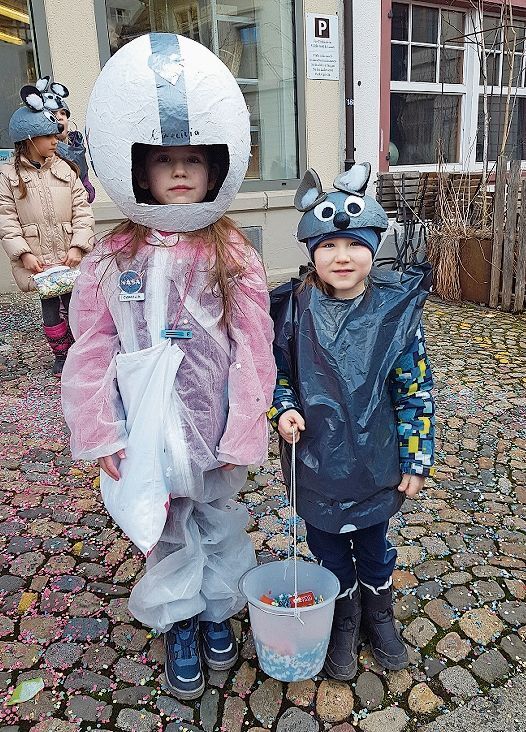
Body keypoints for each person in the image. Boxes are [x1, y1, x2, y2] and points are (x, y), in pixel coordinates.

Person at [61, 33, 276, 701]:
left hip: (210, 428)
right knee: (166, 527)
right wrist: (99, 432)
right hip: (148, 432)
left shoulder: (232, 252)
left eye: (192, 159)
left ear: (214, 168)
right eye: (164, 161)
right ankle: (180, 618)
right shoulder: (110, 257)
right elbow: (91, 345)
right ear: (139, 171)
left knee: (216, 520)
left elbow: (254, 343)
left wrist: (245, 426)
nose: (179, 171)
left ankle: (216, 609)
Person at [268, 164, 435, 680]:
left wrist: (417, 456)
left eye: (354, 244)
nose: (342, 257)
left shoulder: (395, 313)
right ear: (311, 253)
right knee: (327, 545)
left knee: (372, 543)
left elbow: (414, 391)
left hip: (375, 460)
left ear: (373, 245)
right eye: (328, 246)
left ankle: (378, 613)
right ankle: (345, 614)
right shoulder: (293, 309)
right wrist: (284, 407)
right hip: (316, 458)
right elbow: (276, 372)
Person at [0, 86, 95, 376]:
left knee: (76, 305)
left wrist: (79, 245)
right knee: (51, 307)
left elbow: (82, 209)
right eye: (49, 136)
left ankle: (82, 350)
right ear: (29, 139)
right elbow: (6, 220)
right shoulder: (8, 176)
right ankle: (61, 354)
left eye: (57, 134)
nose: (56, 140)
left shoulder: (66, 169)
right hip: (39, 258)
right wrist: (24, 254)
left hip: (69, 253)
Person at [33, 75, 96, 202]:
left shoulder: (76, 147)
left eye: (63, 113)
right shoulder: (38, 151)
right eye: (53, 114)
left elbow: (85, 180)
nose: (60, 117)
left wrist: (88, 192)